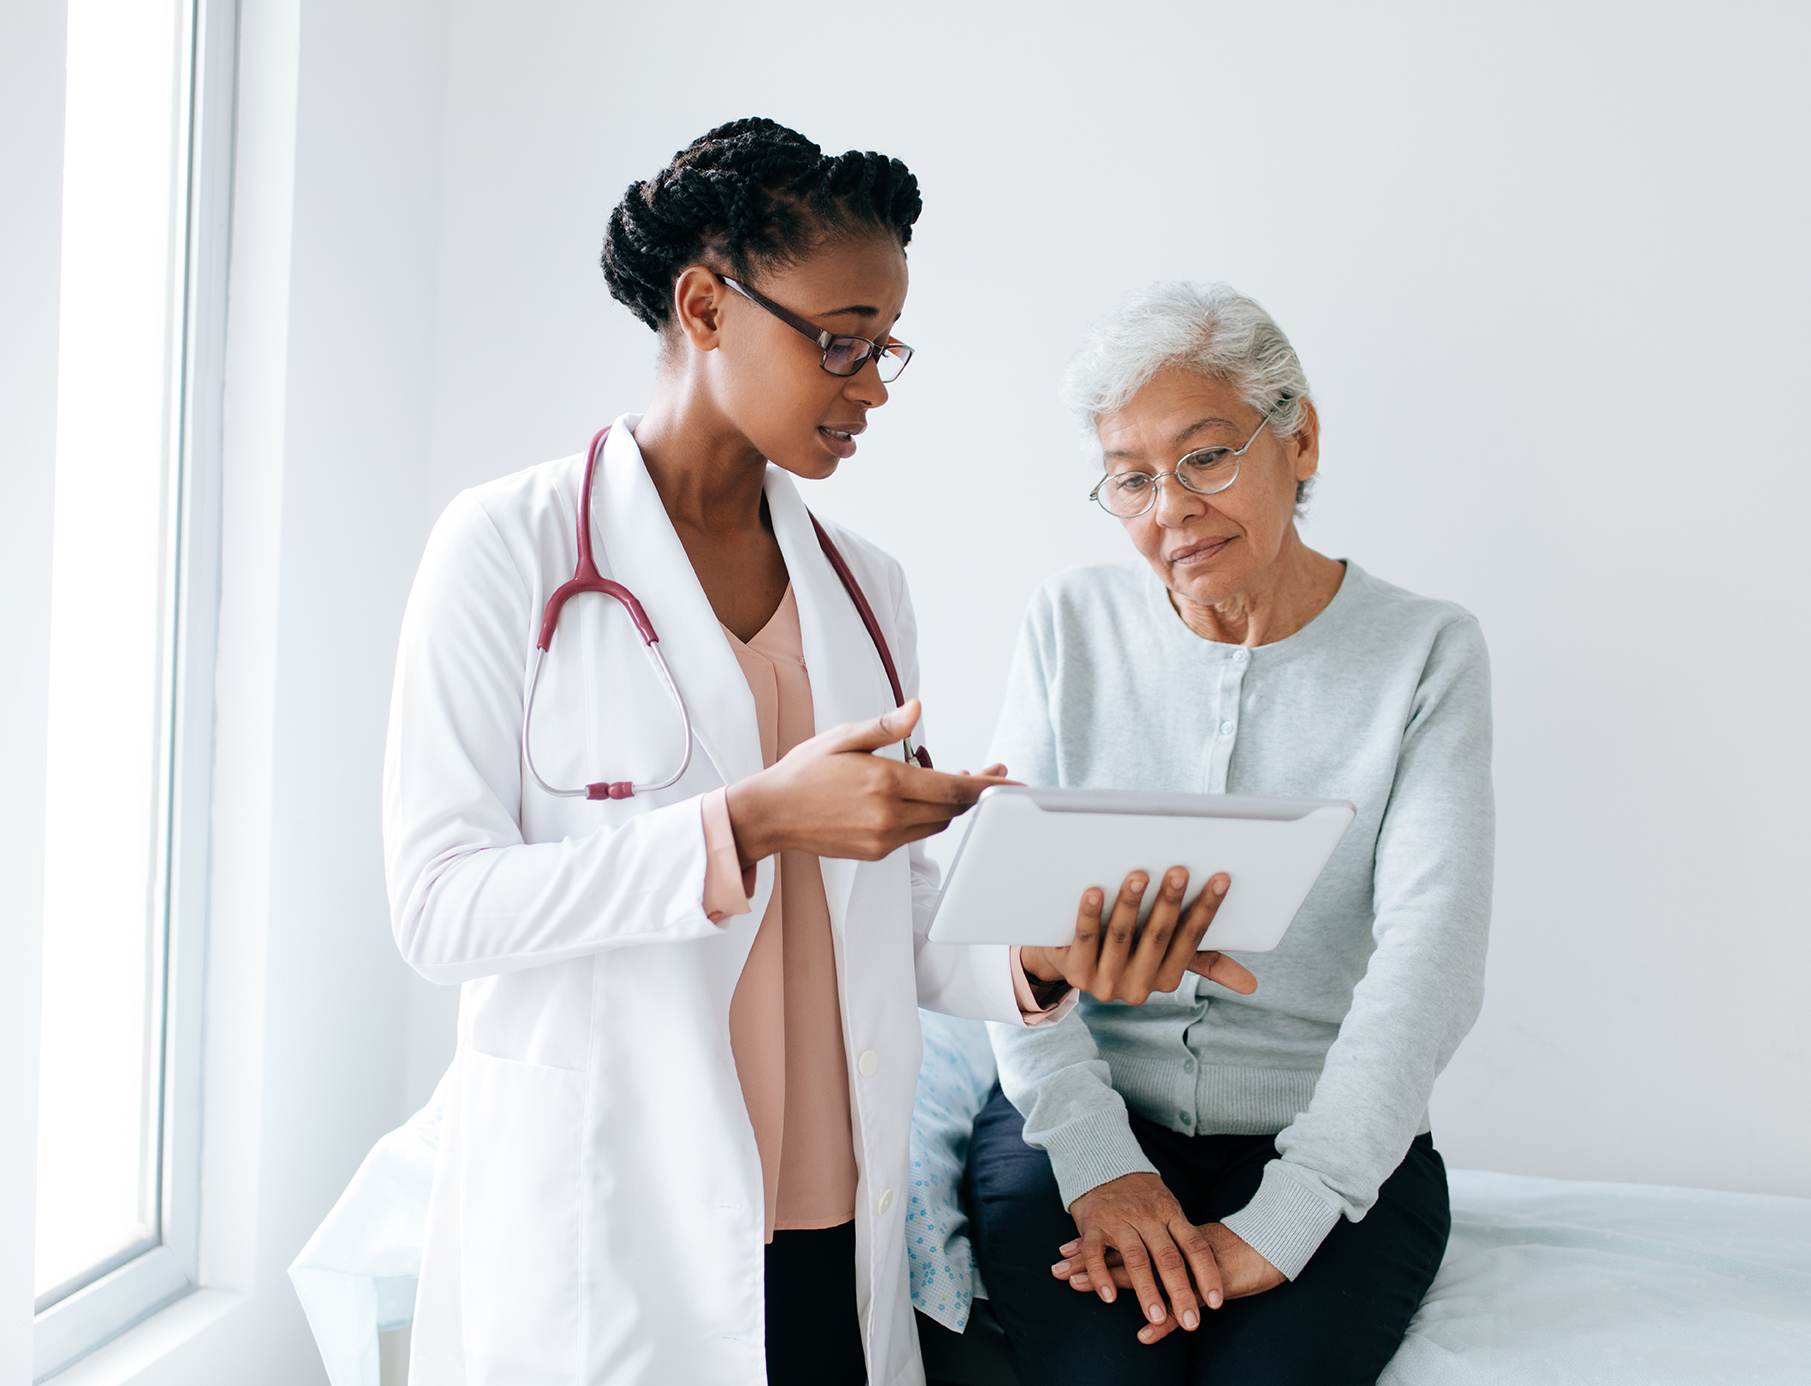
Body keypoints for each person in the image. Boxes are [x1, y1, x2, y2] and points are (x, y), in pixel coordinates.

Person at [378, 123, 1247, 1386]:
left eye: (884, 346)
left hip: (828, 1211)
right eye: (840, 339)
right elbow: (437, 909)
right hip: (611, 1217)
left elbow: (887, 921)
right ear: (704, 304)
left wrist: (1048, 954)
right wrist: (748, 825)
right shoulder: (504, 549)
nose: (873, 384)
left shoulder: (866, 588)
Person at [962, 282, 1493, 1386]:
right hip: (1077, 1120)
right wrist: (1101, 1165)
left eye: (1204, 457)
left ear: (1297, 440)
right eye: (1130, 479)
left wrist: (1290, 1212)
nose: (1170, 509)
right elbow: (1000, 924)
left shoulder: (1426, 653)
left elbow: (1429, 959)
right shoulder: (1068, 623)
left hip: (1330, 1139)